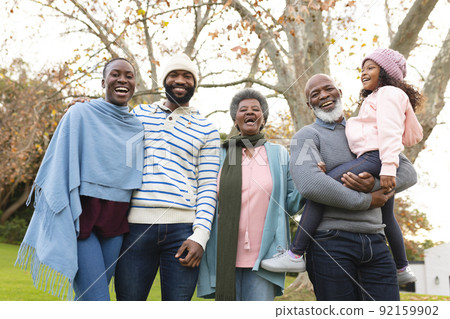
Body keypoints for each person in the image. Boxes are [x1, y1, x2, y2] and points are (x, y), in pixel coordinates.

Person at [261, 49, 422, 286]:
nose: (324, 95)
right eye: (315, 94)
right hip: (331, 242)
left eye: (329, 89)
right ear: (309, 104)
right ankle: (296, 254)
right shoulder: (307, 136)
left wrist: (372, 184)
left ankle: (401, 265)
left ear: (340, 93)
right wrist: (367, 199)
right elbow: (312, 186)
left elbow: (408, 172)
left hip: (376, 241)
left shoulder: (363, 129)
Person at [15, 58, 144, 300]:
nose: (123, 80)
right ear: (103, 82)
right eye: (115, 74)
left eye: (129, 75)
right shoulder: (80, 113)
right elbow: (59, 161)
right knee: (97, 299)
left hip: (117, 220)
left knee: (89, 296)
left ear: (135, 84)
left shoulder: (138, 126)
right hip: (82, 215)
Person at [114, 54, 221, 301]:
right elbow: (107, 123)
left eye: (187, 76)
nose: (179, 80)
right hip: (136, 228)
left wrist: (200, 236)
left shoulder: (207, 129)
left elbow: (206, 186)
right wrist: (84, 105)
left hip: (183, 233)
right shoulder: (139, 114)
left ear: (195, 84)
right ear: (165, 81)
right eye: (174, 75)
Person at [196, 88, 303, 301]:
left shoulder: (279, 153)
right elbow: (206, 197)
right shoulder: (220, 154)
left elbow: (291, 204)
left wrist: (310, 177)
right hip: (224, 253)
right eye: (243, 109)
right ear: (236, 119)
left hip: (266, 256)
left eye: (256, 109)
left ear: (263, 118)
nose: (249, 113)